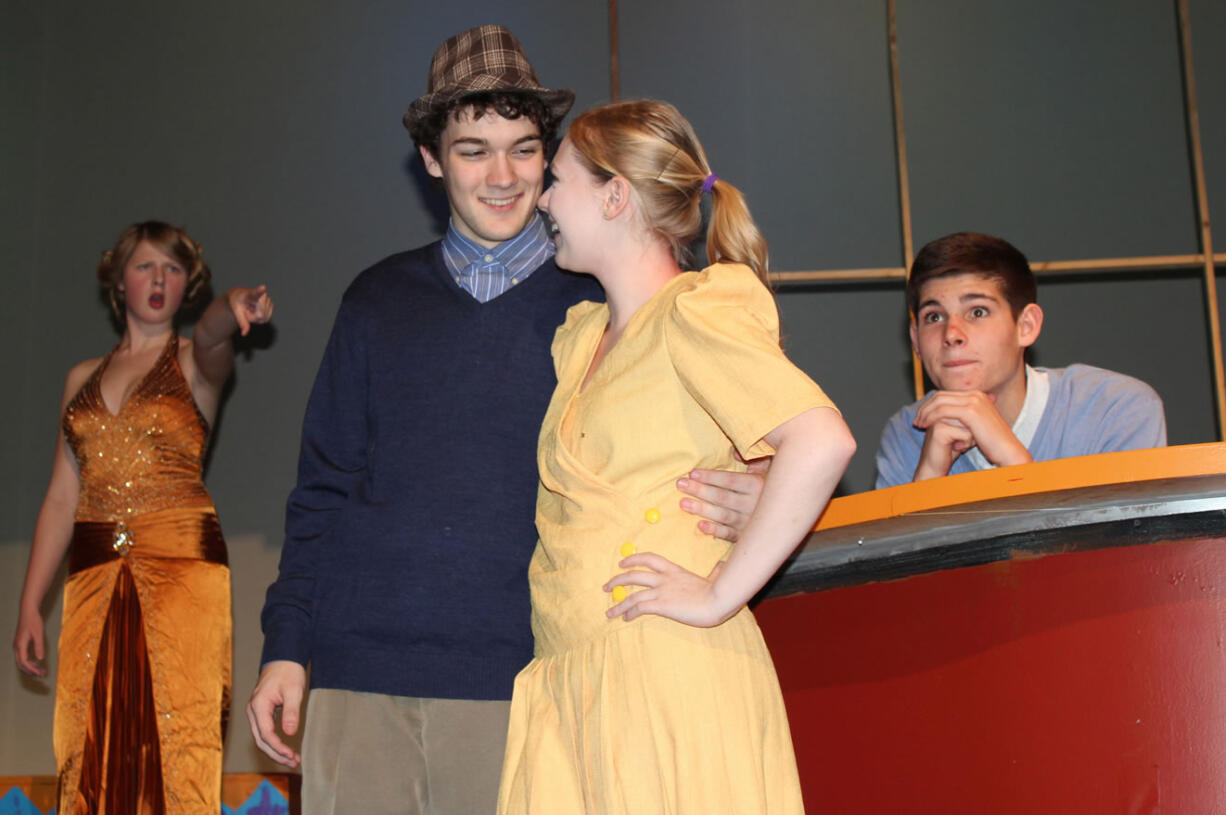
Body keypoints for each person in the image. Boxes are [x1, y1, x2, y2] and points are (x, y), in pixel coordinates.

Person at [246, 26, 765, 815]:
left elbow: (766, 427)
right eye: (472, 149)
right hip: (354, 677)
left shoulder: (608, 304)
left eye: (523, 149)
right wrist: (286, 645)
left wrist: (755, 487)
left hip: (525, 682)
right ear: (430, 160)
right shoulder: (373, 301)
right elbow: (321, 490)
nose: (501, 175)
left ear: (552, 162)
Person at [495, 99, 856, 814]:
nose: (543, 199)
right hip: (573, 675)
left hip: (662, 667)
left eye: (558, 178)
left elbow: (822, 439)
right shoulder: (582, 336)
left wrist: (721, 589)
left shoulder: (694, 309)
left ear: (614, 194)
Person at [12, 220, 274, 813]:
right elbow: (60, 496)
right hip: (93, 576)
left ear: (189, 285)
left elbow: (212, 339)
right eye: (145, 266)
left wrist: (231, 307)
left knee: (177, 738)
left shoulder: (194, 363)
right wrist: (31, 603)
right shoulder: (80, 378)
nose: (159, 279)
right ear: (118, 280)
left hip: (181, 568)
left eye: (174, 269)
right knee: (88, 741)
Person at [875, 231, 1167, 488]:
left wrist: (1010, 458)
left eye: (977, 312)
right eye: (934, 317)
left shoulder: (1115, 410)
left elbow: (1122, 550)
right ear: (915, 340)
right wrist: (928, 479)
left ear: (1025, 326)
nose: (951, 334)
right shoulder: (908, 434)